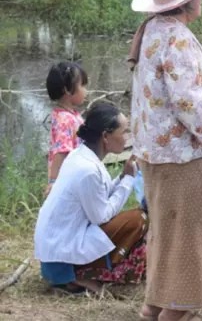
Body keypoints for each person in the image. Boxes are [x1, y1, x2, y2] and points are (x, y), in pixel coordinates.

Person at [128, 0, 202, 321]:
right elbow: (188, 103)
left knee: (166, 235)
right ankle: (169, 311)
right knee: (191, 239)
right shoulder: (177, 39)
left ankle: (151, 309)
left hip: (154, 154)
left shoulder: (151, 29)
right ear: (187, 1)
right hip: (181, 157)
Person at [34, 101, 147, 295]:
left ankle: (81, 273)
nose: (127, 137)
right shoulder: (87, 169)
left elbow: (98, 194)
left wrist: (121, 177)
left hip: (55, 246)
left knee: (135, 217)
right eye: (124, 132)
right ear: (106, 136)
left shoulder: (81, 156)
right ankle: (79, 275)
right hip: (60, 255)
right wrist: (127, 180)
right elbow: (101, 216)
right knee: (139, 218)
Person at [45, 61, 88, 197]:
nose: (86, 90)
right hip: (67, 178)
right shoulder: (65, 119)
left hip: (76, 174)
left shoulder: (69, 115)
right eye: (82, 85)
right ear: (67, 90)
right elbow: (61, 152)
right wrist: (53, 181)